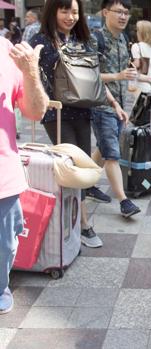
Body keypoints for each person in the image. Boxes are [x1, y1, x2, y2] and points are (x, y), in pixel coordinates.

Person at [31, 0, 127, 248]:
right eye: (65, 10)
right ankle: (83, 224)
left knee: (82, 169)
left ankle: (73, 221)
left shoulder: (81, 41)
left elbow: (94, 79)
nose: (71, 16)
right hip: (56, 114)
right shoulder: (40, 40)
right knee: (71, 165)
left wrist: (114, 103)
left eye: (75, 11)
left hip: (83, 111)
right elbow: (31, 79)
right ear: (53, 11)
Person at [1, 38, 49, 314]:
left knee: (4, 246)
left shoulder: (8, 50)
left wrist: (30, 70)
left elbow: (35, 111)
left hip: (3, 176)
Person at [91, 0, 142, 218]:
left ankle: (87, 183)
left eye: (126, 13)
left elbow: (125, 73)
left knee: (103, 148)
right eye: (118, 12)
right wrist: (118, 76)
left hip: (120, 104)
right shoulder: (95, 39)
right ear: (105, 12)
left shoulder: (123, 38)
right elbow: (89, 75)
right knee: (112, 152)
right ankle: (124, 200)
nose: (123, 16)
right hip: (102, 103)